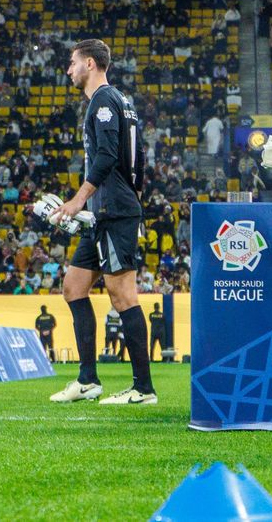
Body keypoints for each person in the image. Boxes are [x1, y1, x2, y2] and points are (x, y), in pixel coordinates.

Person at [48, 39, 157, 405]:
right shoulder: (121, 101)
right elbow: (139, 157)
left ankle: (144, 388)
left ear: (90, 64)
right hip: (103, 211)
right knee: (74, 287)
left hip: (112, 210)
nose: (69, 70)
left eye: (73, 63)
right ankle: (87, 381)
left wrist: (80, 198)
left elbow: (109, 155)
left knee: (123, 295)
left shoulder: (104, 101)